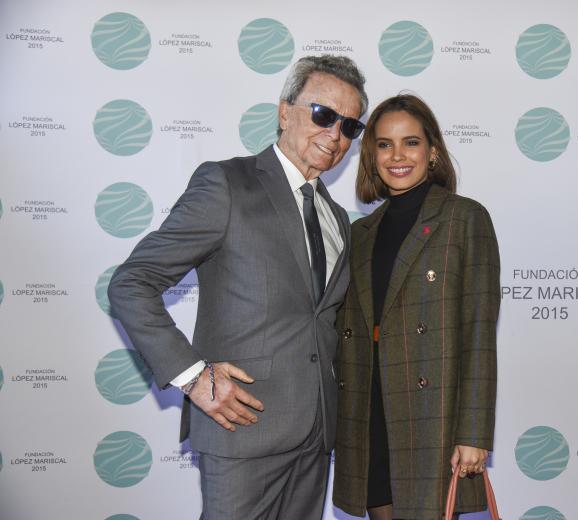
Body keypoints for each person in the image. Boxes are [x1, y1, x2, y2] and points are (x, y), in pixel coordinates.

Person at [107, 55, 368, 520]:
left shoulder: (338, 219)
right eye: (323, 115)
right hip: (241, 428)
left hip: (316, 436)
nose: (335, 134)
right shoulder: (226, 184)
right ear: (284, 111)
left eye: (350, 126)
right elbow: (133, 282)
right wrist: (193, 376)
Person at [332, 94, 500, 520]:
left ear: (433, 151)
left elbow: (479, 335)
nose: (397, 156)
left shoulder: (465, 219)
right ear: (371, 154)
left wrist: (474, 434)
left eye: (411, 142)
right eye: (384, 144)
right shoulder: (361, 232)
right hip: (369, 412)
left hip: (432, 414)